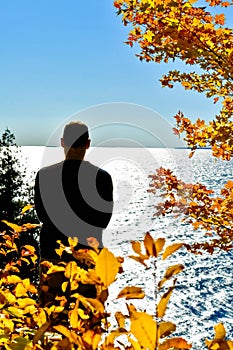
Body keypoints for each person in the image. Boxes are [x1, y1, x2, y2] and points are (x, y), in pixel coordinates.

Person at [34, 121, 113, 305]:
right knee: (87, 324)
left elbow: (43, 216)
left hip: (53, 256)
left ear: (62, 142)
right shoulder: (102, 178)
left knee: (51, 320)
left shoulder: (44, 176)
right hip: (88, 258)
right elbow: (102, 221)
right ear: (88, 143)